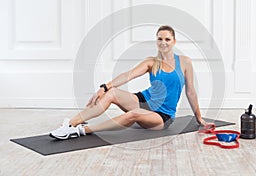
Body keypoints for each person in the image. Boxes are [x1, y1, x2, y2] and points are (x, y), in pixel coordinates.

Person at [50, 25, 207, 140]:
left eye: (167, 39)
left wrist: (198, 117)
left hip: (162, 115)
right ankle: (70, 124)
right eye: (160, 39)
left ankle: (83, 130)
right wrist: (105, 87)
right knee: (111, 93)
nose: (163, 42)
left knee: (133, 114)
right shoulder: (151, 62)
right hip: (143, 100)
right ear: (156, 41)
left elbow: (191, 91)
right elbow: (128, 75)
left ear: (174, 41)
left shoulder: (185, 62)